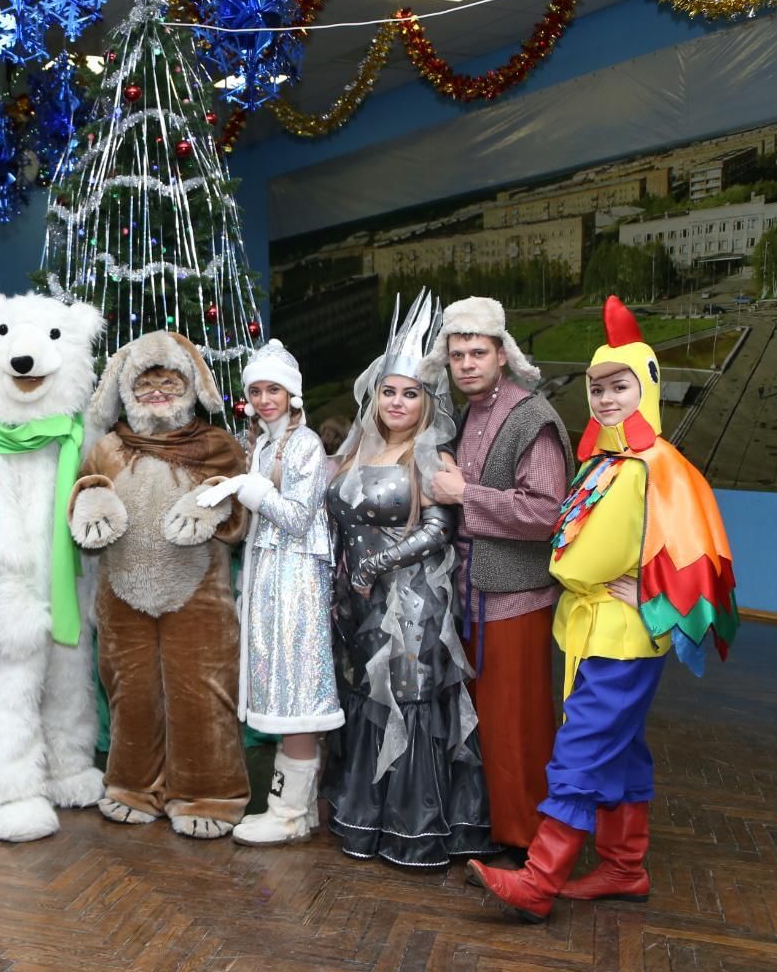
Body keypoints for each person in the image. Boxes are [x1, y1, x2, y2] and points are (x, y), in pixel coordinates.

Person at [470, 298, 738, 922]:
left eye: (619, 386)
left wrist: (639, 587)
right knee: (621, 749)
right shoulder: (609, 463)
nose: (606, 399)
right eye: (597, 388)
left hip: (622, 635)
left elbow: (579, 560)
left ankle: (539, 881)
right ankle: (624, 867)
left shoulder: (645, 470)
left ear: (646, 388)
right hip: (602, 630)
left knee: (582, 751)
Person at [322, 291, 498, 868]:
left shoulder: (432, 454)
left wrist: (375, 566)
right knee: (368, 701)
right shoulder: (354, 453)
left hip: (413, 603)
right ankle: (366, 819)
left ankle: (413, 828)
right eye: (389, 392)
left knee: (408, 700)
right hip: (359, 607)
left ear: (428, 401)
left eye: (410, 393)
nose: (397, 402)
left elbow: (439, 529)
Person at [70, 331, 250, 839]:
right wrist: (89, 499)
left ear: (190, 386)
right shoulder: (107, 448)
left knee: (202, 692)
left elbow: (240, 515)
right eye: (144, 383)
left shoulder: (216, 444)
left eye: (168, 381)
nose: (157, 391)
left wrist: (213, 503)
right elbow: (85, 493)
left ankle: (209, 793)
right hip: (123, 592)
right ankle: (132, 785)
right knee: (131, 692)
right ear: (126, 391)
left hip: (198, 595)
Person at [422, 297, 572, 873]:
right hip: (472, 593)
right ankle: (495, 829)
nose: (466, 363)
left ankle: (530, 843)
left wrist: (466, 496)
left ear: (502, 354)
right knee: (485, 721)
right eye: (457, 354)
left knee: (517, 725)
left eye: (477, 352)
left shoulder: (531, 416)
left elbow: (546, 512)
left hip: (516, 597)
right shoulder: (468, 416)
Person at [196, 340, 338, 846]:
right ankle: (291, 806)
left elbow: (299, 518)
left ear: (292, 393)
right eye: (255, 390)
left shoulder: (305, 445)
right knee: (278, 686)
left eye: (272, 389)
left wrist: (249, 490)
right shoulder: (262, 444)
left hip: (296, 579)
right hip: (269, 578)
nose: (262, 398)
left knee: (297, 688)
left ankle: (290, 813)